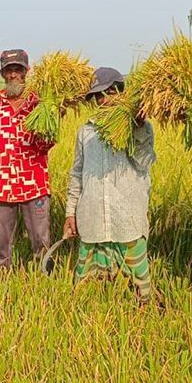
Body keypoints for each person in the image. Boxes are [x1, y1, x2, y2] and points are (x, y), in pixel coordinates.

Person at [64, 67, 156, 302]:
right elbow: (76, 173)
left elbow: (144, 163)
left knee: (138, 289)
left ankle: (144, 315)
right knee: (87, 292)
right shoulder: (86, 131)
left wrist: (137, 130)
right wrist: (70, 213)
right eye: (97, 96)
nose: (102, 101)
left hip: (127, 219)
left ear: (121, 92)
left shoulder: (139, 127)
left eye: (108, 93)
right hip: (92, 218)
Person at [0, 49, 56, 269]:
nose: (13, 75)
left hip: (35, 184)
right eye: (9, 70)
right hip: (4, 185)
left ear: (27, 71)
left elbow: (48, 143)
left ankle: (45, 277)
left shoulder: (40, 105)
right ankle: (2, 276)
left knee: (41, 238)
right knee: (2, 240)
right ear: (2, 73)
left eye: (18, 70)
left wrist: (52, 126)